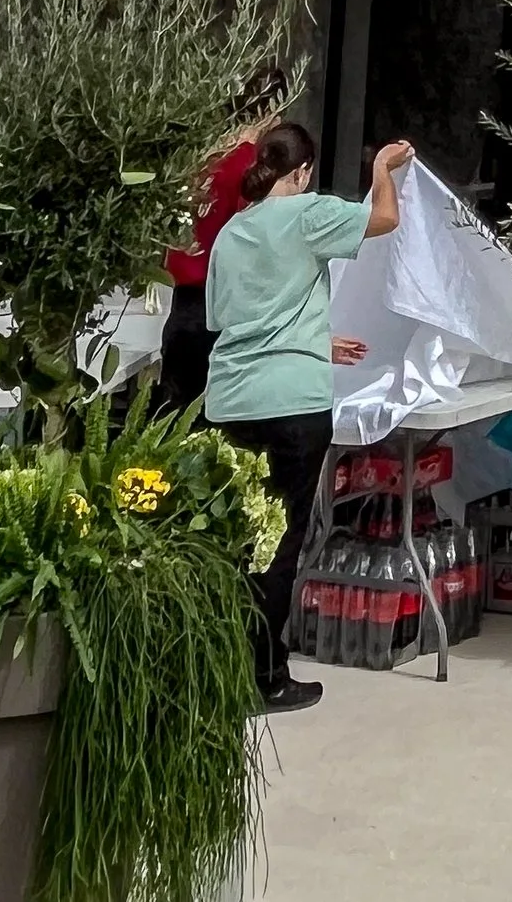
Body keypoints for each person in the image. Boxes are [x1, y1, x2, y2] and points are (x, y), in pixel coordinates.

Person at [205, 120, 413, 712]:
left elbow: (233, 320)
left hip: (232, 401)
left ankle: (220, 662)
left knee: (236, 538)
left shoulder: (231, 233)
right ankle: (265, 675)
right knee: (282, 541)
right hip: (293, 403)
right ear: (301, 172)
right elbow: (384, 220)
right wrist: (382, 170)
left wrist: (312, 338)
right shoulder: (306, 212)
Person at [158, 130, 258, 410]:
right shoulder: (248, 160)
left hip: (185, 290)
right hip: (220, 295)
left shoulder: (195, 153)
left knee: (175, 404)